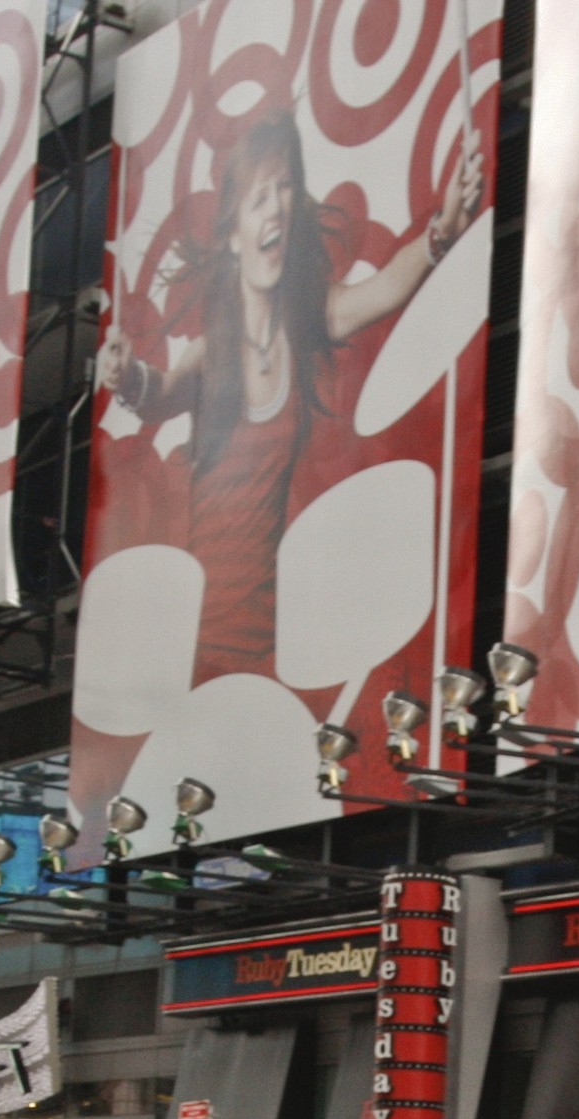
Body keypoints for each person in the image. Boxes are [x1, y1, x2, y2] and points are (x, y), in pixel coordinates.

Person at [95, 107, 483, 693]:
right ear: (231, 236)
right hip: (195, 646)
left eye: (284, 188)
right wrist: (123, 377)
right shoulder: (211, 355)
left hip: (264, 644)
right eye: (258, 197)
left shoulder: (307, 323)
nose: (276, 205)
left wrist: (443, 232)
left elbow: (387, 287)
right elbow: (157, 395)